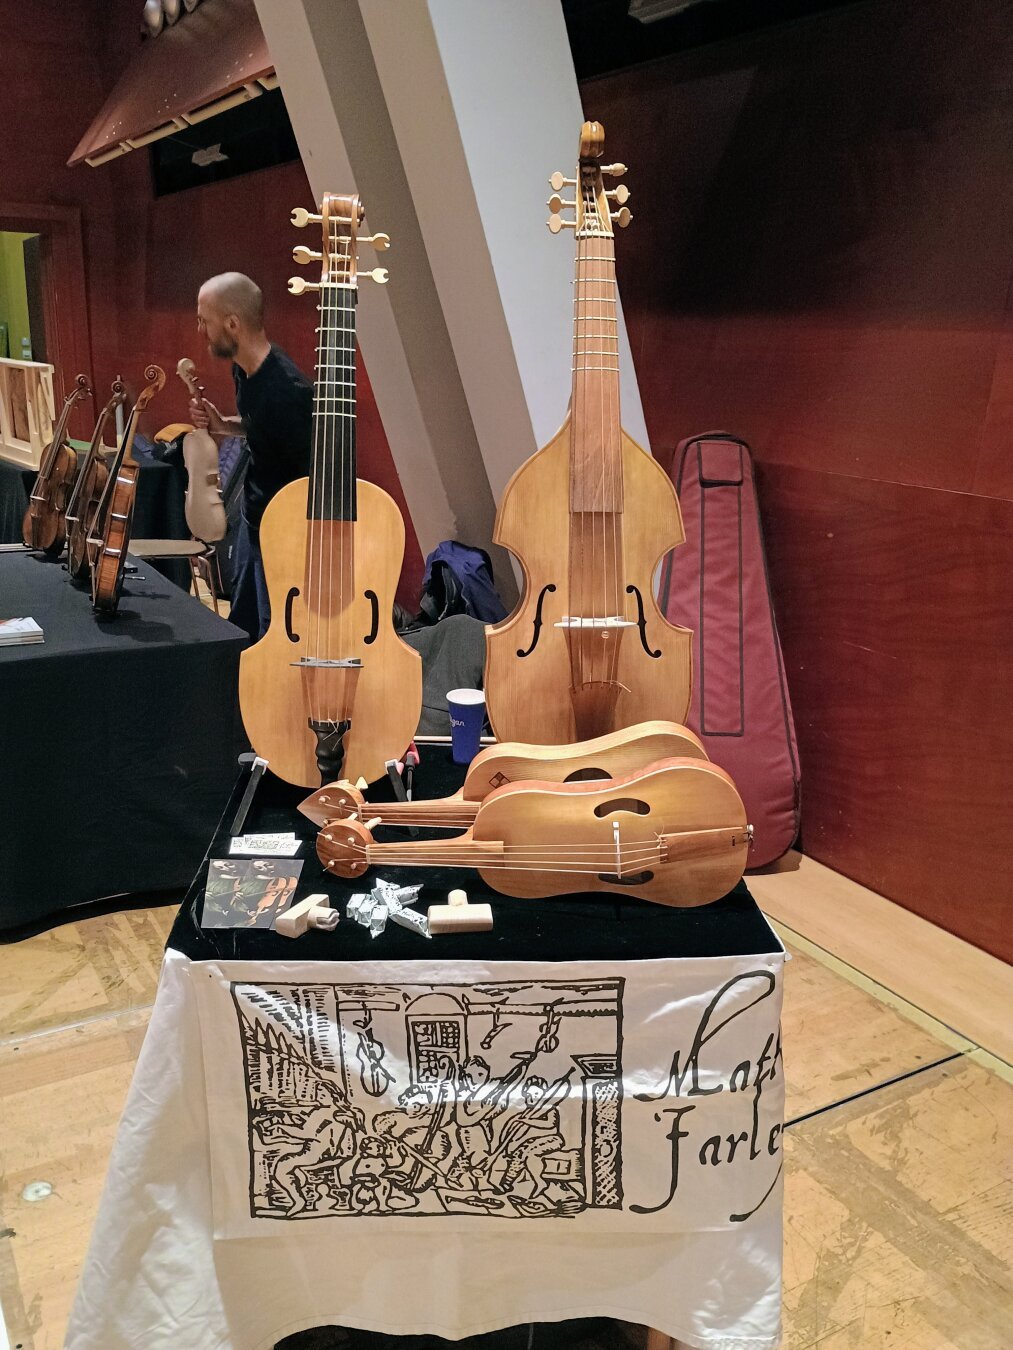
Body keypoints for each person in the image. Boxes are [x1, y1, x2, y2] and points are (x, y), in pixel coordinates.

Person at [191, 272, 313, 640]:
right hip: (254, 519)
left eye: (204, 321)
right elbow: (260, 428)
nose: (201, 330)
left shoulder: (288, 391)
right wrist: (224, 424)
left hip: (284, 532)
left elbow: (314, 477)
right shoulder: (244, 370)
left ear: (232, 324)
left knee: (273, 631)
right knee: (247, 627)